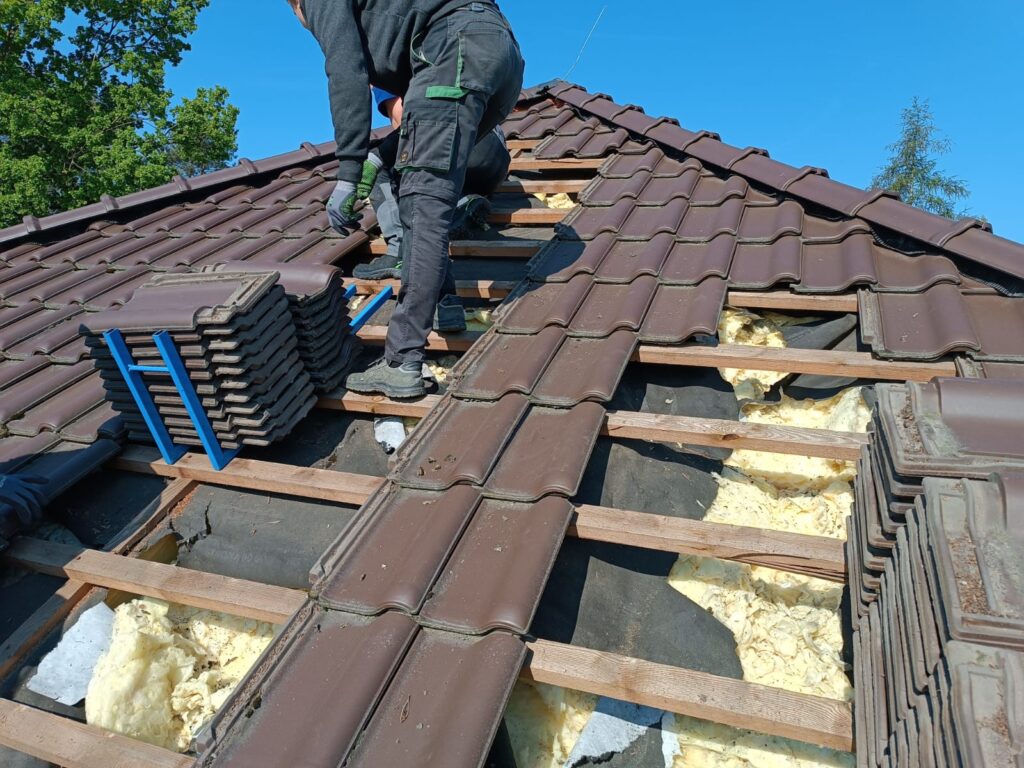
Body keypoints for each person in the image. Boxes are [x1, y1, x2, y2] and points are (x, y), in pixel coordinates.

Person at [287, 0, 524, 399]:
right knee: (428, 194)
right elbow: (423, 118)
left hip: (457, 48)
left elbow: (345, 68)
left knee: (421, 205)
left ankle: (402, 362)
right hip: (503, 59)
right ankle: (446, 304)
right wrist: (378, 157)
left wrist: (348, 171)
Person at [355, 88, 512, 334]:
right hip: (493, 158)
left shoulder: (389, 72)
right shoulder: (452, 67)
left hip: (451, 142)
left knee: (385, 166)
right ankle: (464, 203)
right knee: (443, 180)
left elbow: (405, 122)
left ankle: (397, 251)